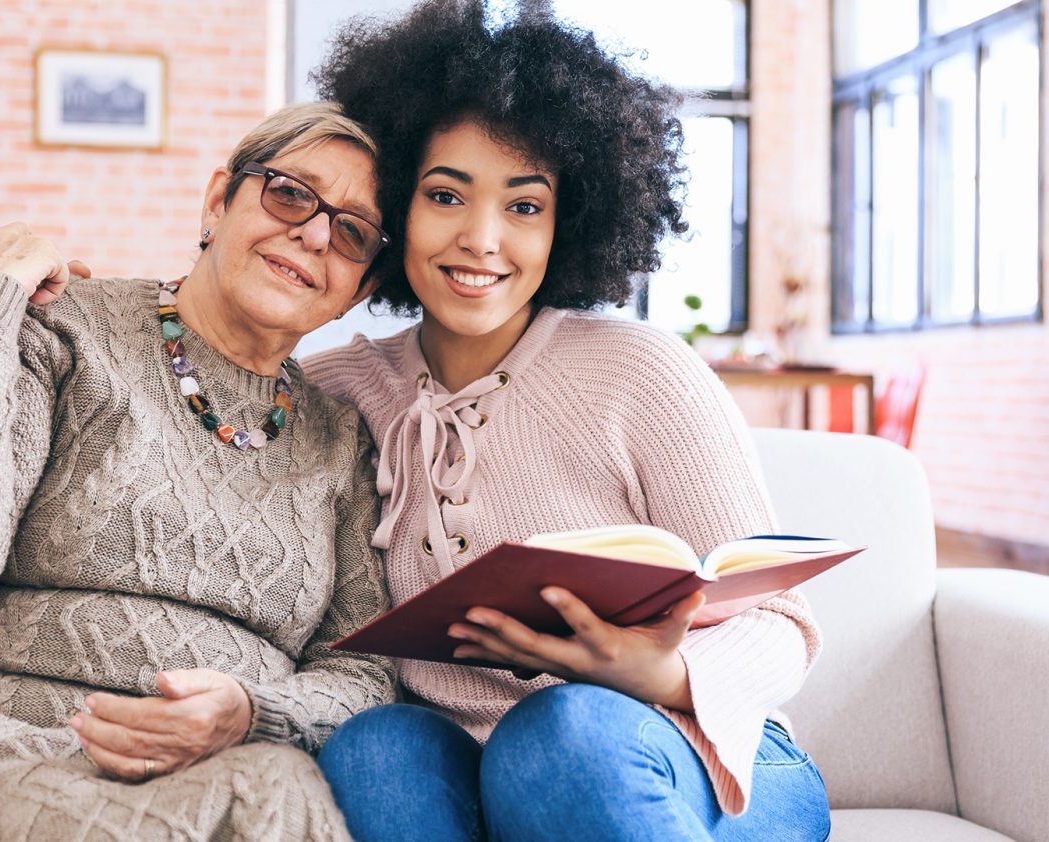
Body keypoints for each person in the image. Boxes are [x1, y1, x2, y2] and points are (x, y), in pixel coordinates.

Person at [300, 3, 832, 840]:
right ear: (394, 204)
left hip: (693, 753)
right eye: (445, 195)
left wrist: (662, 673)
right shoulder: (338, 390)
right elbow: (201, 402)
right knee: (372, 746)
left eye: (523, 206)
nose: (481, 240)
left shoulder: (639, 371)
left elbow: (781, 623)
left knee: (560, 733)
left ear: (568, 224)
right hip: (464, 760)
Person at [0, 102, 394, 841]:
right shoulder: (63, 326)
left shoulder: (338, 441)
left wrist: (251, 711)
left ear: (357, 290)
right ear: (217, 202)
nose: (317, 232)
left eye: (353, 231)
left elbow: (362, 674)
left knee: (279, 793)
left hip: (206, 770)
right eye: (290, 193)